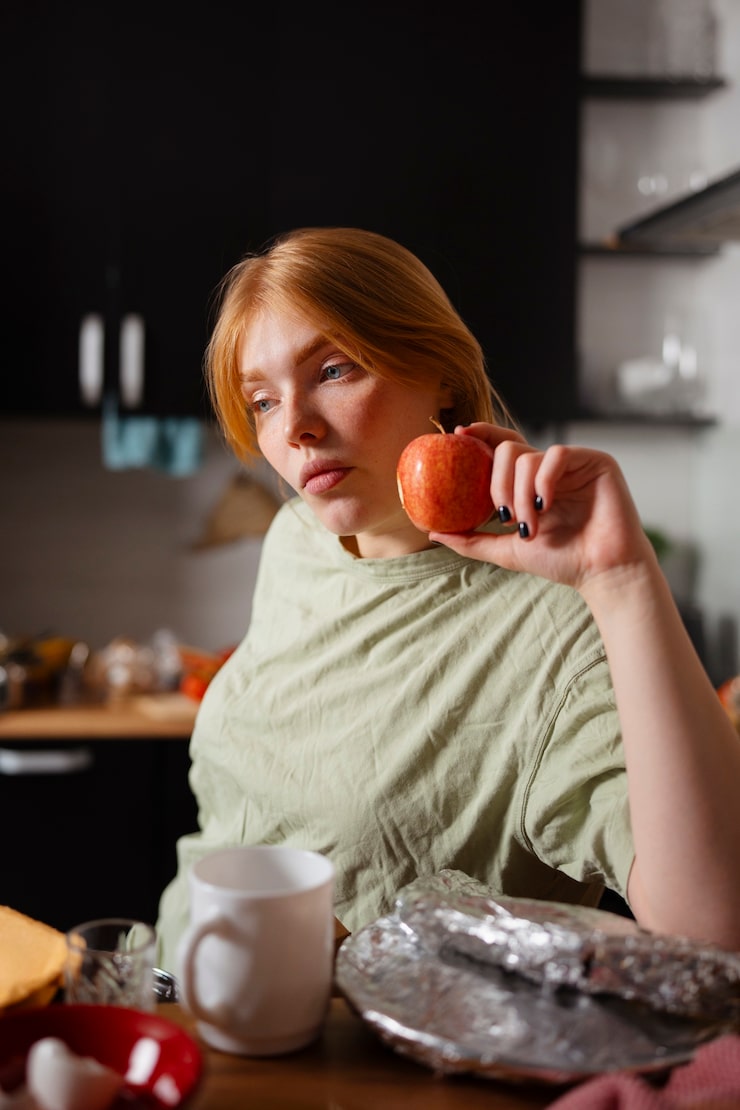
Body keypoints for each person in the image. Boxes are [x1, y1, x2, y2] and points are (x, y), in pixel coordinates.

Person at [156, 226, 740, 971]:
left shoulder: (556, 617)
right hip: (170, 985)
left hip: (336, 1040)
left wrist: (622, 582)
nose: (294, 428)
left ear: (442, 377)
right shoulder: (297, 539)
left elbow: (711, 930)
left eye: (333, 369)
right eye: (263, 401)